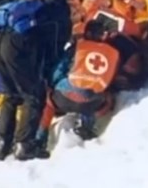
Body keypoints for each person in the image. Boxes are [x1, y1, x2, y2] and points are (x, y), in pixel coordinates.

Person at [0, 0, 72, 161]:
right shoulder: (60, 16)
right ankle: (24, 144)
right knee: (33, 95)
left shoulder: (33, 7)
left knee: (11, 94)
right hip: (16, 45)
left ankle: (3, 142)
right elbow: (54, 47)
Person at [35, 20, 118, 150]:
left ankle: (40, 137)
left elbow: (58, 71)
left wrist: (54, 84)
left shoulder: (77, 48)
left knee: (49, 102)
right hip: (94, 104)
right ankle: (87, 127)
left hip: (64, 98)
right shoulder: (109, 52)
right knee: (93, 92)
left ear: (87, 33)